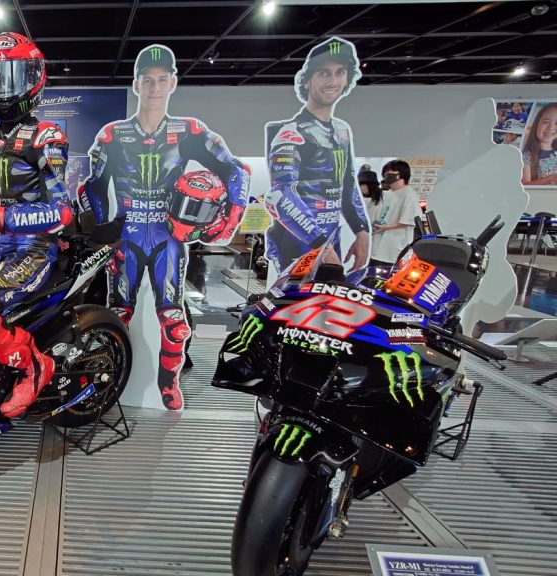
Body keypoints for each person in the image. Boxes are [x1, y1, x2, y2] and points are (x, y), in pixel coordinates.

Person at [82, 43, 250, 410]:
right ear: (136, 85)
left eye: (161, 79)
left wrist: (229, 219)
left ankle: (168, 385)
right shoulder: (112, 134)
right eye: (147, 80)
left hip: (169, 237)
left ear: (172, 83)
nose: (154, 87)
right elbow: (91, 187)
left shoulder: (189, 131)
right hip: (126, 237)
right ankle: (111, 383)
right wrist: (102, 230)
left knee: (175, 322)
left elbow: (237, 170)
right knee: (116, 316)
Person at [0, 33, 73, 418]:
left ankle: (34, 365)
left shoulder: (46, 136)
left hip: (36, 249)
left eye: (14, 77)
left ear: (35, 78)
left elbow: (62, 213)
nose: (4, 89)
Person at [264, 36, 370, 275]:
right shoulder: (292, 133)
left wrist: (362, 230)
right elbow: (281, 196)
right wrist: (320, 244)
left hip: (330, 238)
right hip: (299, 243)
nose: (333, 81)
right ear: (308, 79)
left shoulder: (342, 130)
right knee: (296, 301)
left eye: (340, 72)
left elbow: (347, 184)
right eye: (324, 73)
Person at [369, 160, 420, 268]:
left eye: (390, 172)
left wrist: (385, 227)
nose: (387, 175)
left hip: (395, 248)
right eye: (386, 172)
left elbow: (407, 221)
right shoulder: (389, 193)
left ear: (401, 174)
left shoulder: (409, 195)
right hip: (379, 246)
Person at [521, 102, 557, 186]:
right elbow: (525, 185)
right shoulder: (526, 155)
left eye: (556, 123)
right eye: (546, 122)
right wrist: (550, 179)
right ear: (536, 124)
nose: (550, 128)